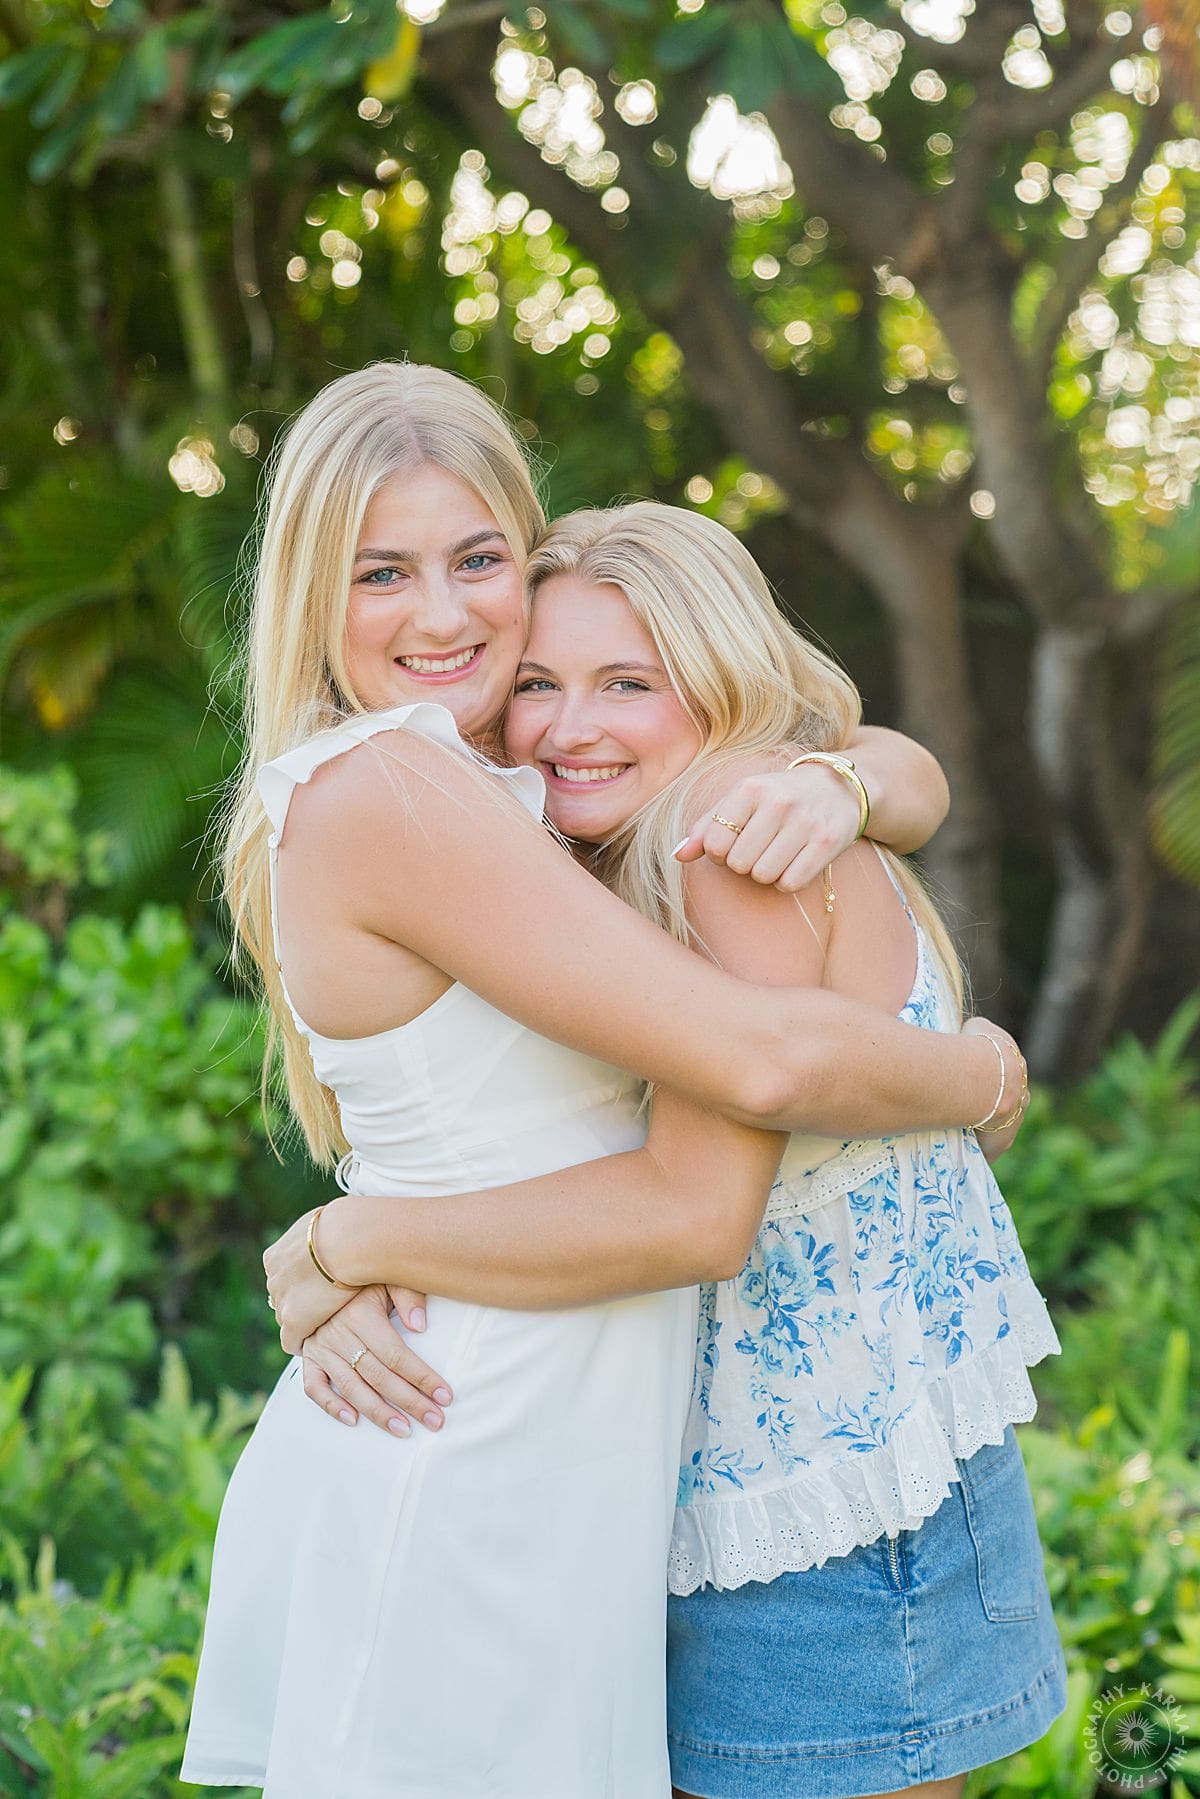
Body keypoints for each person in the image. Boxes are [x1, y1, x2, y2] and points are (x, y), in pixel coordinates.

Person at [181, 363, 1026, 1799]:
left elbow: (871, 758)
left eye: (475, 561)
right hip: (476, 1438)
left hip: (597, 1459)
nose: (444, 615)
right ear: (313, 591)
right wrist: (980, 1071)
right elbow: (743, 1089)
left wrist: (848, 779)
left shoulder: (536, 806)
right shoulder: (401, 790)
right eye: (383, 572)